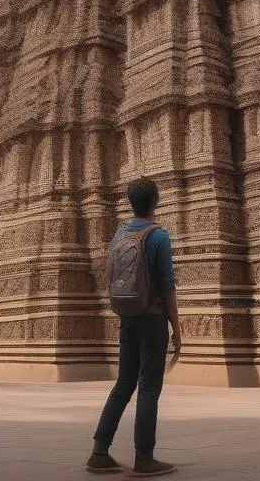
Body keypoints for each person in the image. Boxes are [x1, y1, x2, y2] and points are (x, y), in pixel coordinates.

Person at [86, 177, 180, 477]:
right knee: (149, 387)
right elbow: (167, 287)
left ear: (131, 203)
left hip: (127, 317)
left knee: (124, 384)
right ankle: (144, 458)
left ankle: (99, 452)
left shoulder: (119, 234)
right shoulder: (158, 237)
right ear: (156, 201)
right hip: (152, 319)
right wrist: (177, 329)